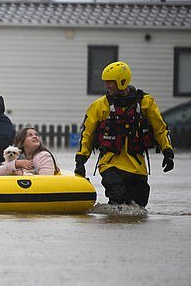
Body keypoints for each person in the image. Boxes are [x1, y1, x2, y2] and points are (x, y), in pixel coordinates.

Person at [74, 61, 174, 207]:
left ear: (122, 82)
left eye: (110, 82)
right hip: (110, 164)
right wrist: (81, 161)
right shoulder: (99, 106)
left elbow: (160, 129)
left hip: (137, 166)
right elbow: (87, 134)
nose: (107, 86)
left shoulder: (146, 103)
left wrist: (167, 152)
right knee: (119, 201)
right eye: (106, 82)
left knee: (138, 208)